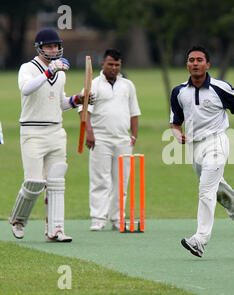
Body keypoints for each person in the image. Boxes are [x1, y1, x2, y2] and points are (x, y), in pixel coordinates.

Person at [170, 45, 234, 258]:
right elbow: (175, 121)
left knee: (205, 190)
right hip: (194, 146)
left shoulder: (220, 88)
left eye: (199, 60)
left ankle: (200, 239)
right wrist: (175, 133)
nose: (195, 63)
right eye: (191, 60)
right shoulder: (179, 91)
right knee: (216, 189)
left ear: (208, 64)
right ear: (187, 64)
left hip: (217, 142)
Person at [9, 28, 92, 242]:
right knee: (34, 182)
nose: (54, 50)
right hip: (32, 132)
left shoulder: (60, 73)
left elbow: (59, 103)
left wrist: (77, 99)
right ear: (39, 48)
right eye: (49, 46)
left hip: (56, 131)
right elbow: (27, 89)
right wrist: (48, 72)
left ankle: (55, 230)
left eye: (56, 46)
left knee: (56, 181)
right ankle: (18, 219)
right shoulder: (27, 68)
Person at [79, 49, 141, 231]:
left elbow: (134, 112)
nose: (114, 68)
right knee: (100, 180)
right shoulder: (94, 84)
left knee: (121, 181)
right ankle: (98, 218)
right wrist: (89, 132)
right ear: (103, 65)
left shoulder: (128, 85)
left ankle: (117, 219)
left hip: (123, 139)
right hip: (101, 139)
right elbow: (84, 111)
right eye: (110, 64)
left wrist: (134, 135)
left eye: (117, 65)